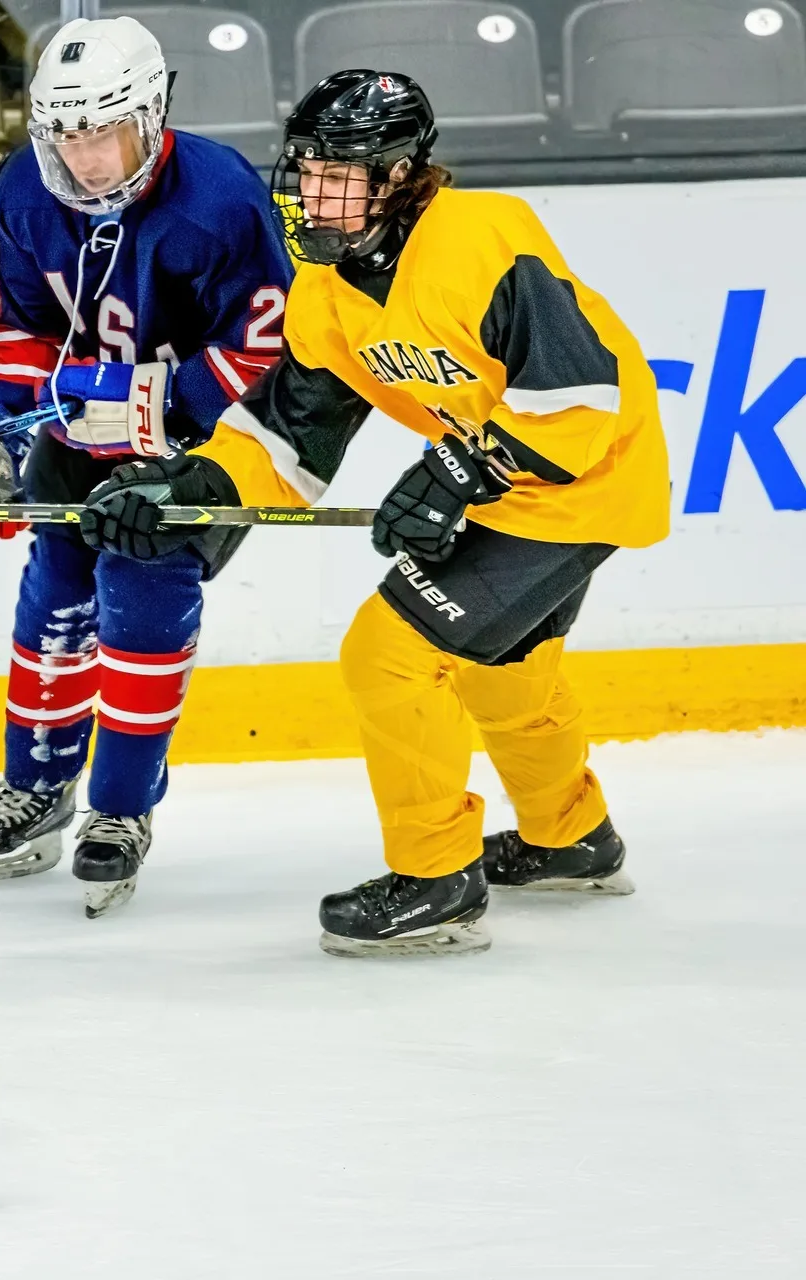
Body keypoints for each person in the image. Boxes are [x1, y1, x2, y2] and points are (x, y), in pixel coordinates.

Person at [75, 70, 668, 956]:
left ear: (398, 175)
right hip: (512, 484)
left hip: (581, 481)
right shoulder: (328, 287)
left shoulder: (483, 238)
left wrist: (464, 468)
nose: (314, 192)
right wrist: (188, 492)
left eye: (338, 173)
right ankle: (569, 838)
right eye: (306, 171)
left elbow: (583, 398)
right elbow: (290, 435)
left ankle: (437, 879)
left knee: (387, 656)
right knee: (503, 667)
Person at [0, 16, 293, 915]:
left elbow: (267, 347)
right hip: (72, 444)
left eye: (103, 130)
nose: (85, 158)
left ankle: (121, 810)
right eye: (64, 132)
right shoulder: (25, 192)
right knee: (53, 601)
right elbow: (4, 323)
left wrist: (165, 409)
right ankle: (38, 785)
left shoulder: (216, 195)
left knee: (141, 604)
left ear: (152, 111)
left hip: (186, 459)